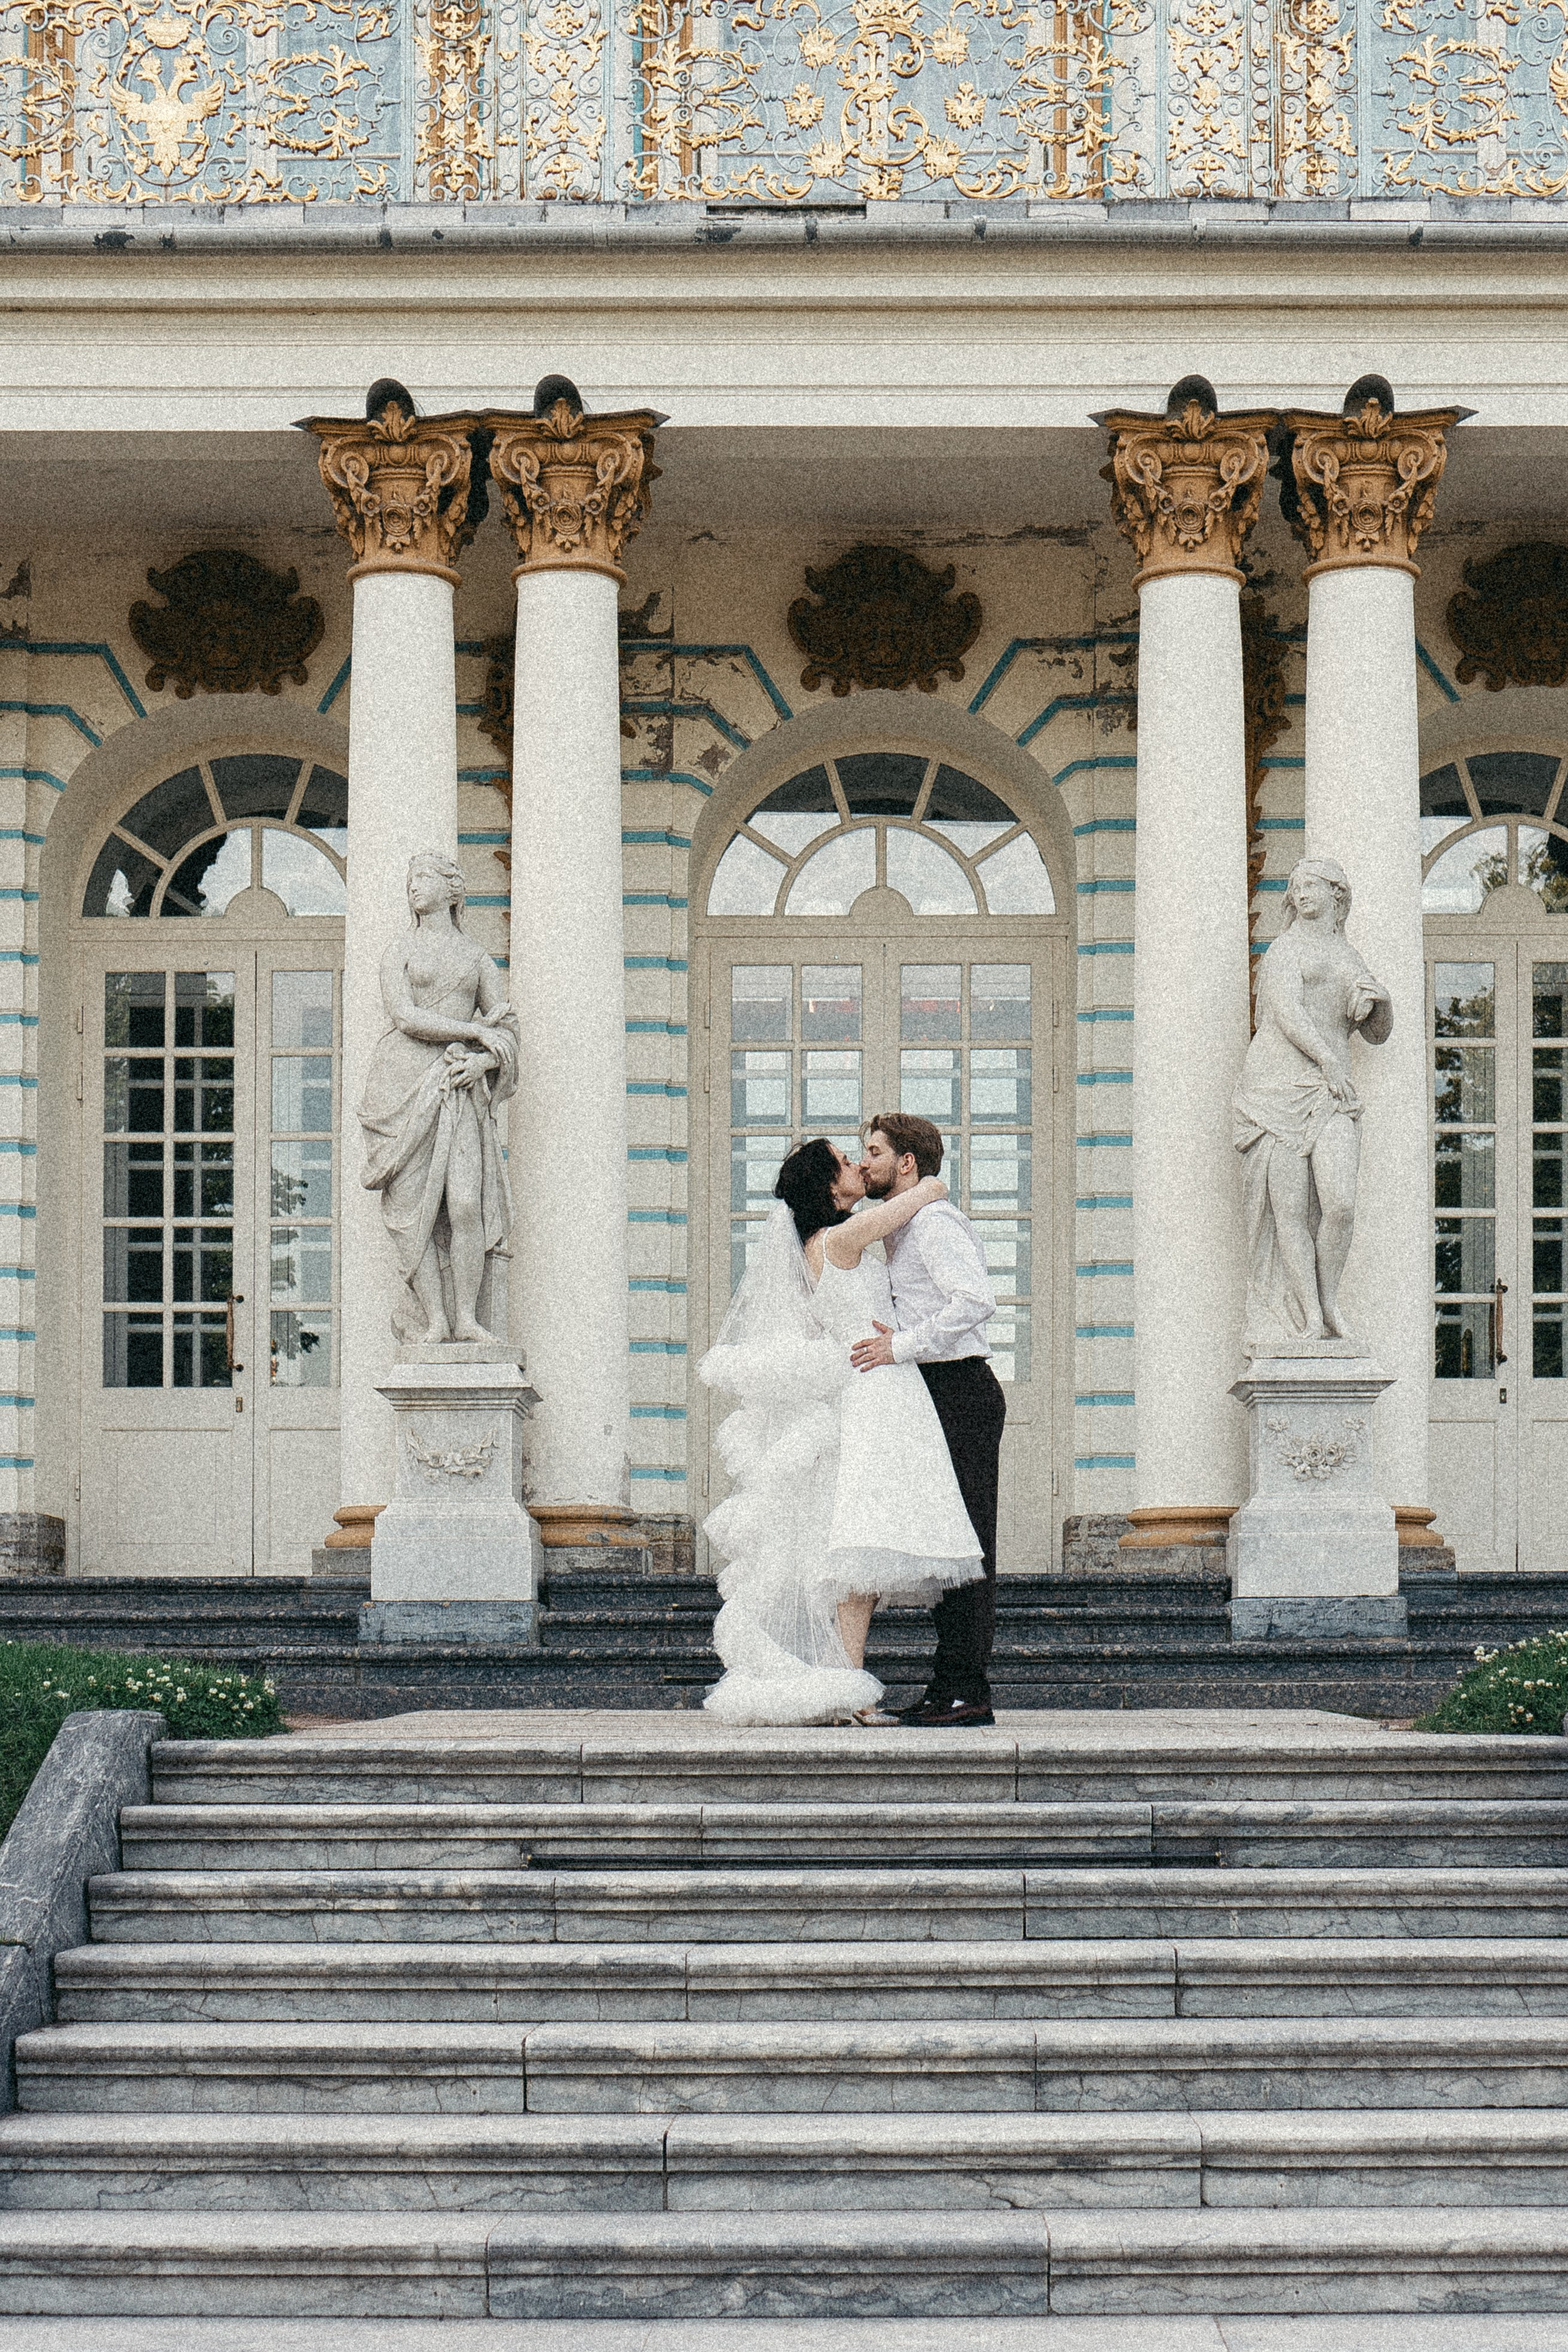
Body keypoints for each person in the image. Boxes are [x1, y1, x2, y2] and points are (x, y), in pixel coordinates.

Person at [698, 1136, 983, 1726]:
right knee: (861, 1551)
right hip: (877, 1395)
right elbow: (902, 1209)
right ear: (831, 1188)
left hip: (875, 1388)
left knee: (861, 1555)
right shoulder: (840, 1237)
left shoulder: (814, 1245)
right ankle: (852, 1695)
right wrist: (931, 1184)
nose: (857, 1164)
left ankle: (851, 1691)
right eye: (846, 1162)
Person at [851, 1114, 1006, 1727]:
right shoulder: (900, 1223)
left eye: (873, 1152)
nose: (864, 1163)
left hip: (960, 1389)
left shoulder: (934, 1223)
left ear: (907, 1163)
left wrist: (901, 1345)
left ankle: (966, 1690)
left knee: (967, 1546)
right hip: (932, 1390)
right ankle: (951, 1687)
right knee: (946, 1543)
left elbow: (975, 1302)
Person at [358, 851, 519, 1346]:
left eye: (424, 877)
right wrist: (473, 1031)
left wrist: (483, 1062)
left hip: (458, 1086)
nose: (414, 886)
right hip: (400, 1084)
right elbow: (405, 1016)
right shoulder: (399, 951)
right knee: (414, 1216)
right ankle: (435, 1321)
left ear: (453, 891)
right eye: (410, 878)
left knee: (466, 1204)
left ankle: (468, 1319)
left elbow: (508, 1029)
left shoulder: (475, 958)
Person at [1233, 856, 1392, 1349]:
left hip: (1329, 1089)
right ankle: (1310, 1317)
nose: (1299, 893)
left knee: (1341, 1203)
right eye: (1295, 887)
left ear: (1336, 895)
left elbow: (1377, 1035)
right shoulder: (1286, 949)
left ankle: (1328, 1299)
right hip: (1276, 1087)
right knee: (1291, 1212)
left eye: (1310, 886)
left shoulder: (1350, 957)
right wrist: (1328, 1061)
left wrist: (1381, 1002)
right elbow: (1287, 1013)